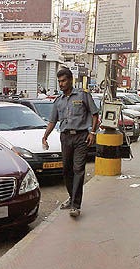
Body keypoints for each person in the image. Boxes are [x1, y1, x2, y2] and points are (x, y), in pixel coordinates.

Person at [42, 69, 99, 217]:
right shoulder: (58, 101)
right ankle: (71, 197)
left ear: (71, 80)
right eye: (59, 81)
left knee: (78, 169)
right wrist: (45, 136)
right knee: (66, 170)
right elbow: (52, 121)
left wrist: (92, 132)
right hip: (65, 138)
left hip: (81, 137)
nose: (61, 84)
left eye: (63, 81)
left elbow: (94, 114)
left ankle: (76, 205)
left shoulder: (83, 95)